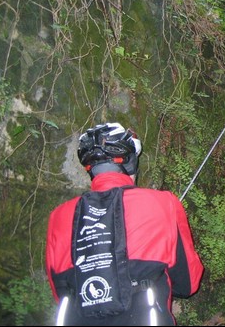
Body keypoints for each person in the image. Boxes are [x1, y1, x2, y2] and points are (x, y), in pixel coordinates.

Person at [46, 122, 204, 326]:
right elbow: (188, 283)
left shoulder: (58, 216)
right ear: (130, 163)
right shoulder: (163, 203)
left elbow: (58, 291)